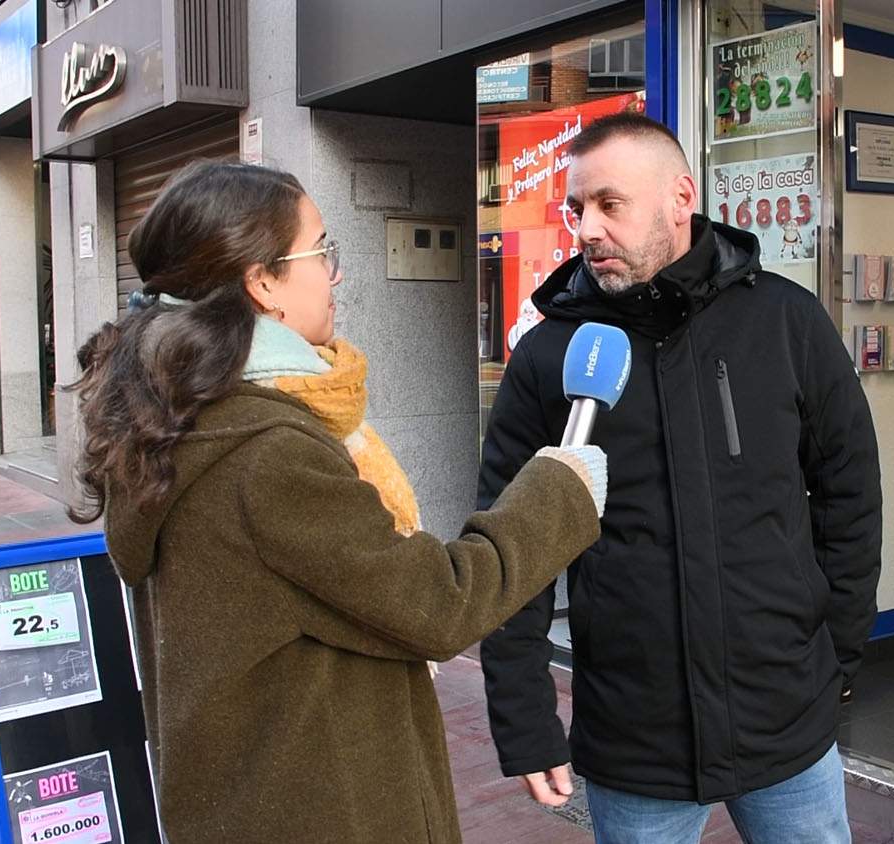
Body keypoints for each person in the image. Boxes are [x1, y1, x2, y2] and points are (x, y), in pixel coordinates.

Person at [68, 161, 607, 843]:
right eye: (321, 251)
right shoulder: (266, 457)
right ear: (262, 282)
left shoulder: (174, 417)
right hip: (326, 811)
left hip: (245, 803)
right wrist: (559, 488)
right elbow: (440, 604)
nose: (337, 273)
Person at [478, 113, 882, 843]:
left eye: (610, 204)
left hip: (787, 720)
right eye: (577, 209)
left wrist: (836, 658)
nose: (587, 229)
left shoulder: (785, 321)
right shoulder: (550, 357)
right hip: (636, 738)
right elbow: (512, 548)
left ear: (680, 198)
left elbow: (849, 496)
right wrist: (524, 716)